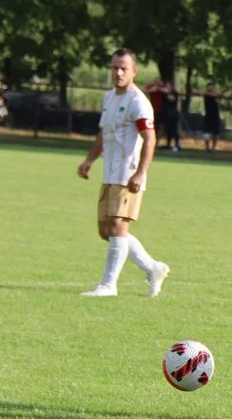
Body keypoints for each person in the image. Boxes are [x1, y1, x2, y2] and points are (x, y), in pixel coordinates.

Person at [77, 49, 170, 298]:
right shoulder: (109, 98)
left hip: (128, 174)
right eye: (114, 67)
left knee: (118, 227)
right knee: (106, 231)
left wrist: (141, 172)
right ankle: (152, 267)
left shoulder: (138, 101)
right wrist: (89, 160)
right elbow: (103, 134)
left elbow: (149, 139)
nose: (118, 72)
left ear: (134, 72)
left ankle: (109, 285)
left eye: (123, 68)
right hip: (109, 173)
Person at [202, 82, 222, 152]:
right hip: (208, 115)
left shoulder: (216, 95)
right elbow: (205, 94)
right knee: (206, 132)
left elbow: (218, 99)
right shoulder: (206, 94)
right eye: (209, 87)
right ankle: (207, 147)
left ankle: (213, 148)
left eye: (212, 87)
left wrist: (217, 95)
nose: (210, 88)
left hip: (215, 116)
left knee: (215, 133)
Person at [162, 82, 182, 151]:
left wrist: (166, 93)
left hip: (173, 115)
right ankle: (168, 144)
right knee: (168, 130)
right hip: (167, 115)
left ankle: (177, 144)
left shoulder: (174, 93)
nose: (168, 88)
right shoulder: (164, 94)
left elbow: (172, 99)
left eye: (169, 86)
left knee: (175, 130)